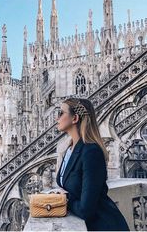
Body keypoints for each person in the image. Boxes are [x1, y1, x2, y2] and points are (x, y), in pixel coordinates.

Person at [55, 97, 130, 231]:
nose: (57, 118)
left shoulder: (91, 151)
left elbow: (86, 210)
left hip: (104, 226)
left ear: (75, 118)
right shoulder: (69, 149)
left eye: (61, 113)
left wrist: (64, 199)